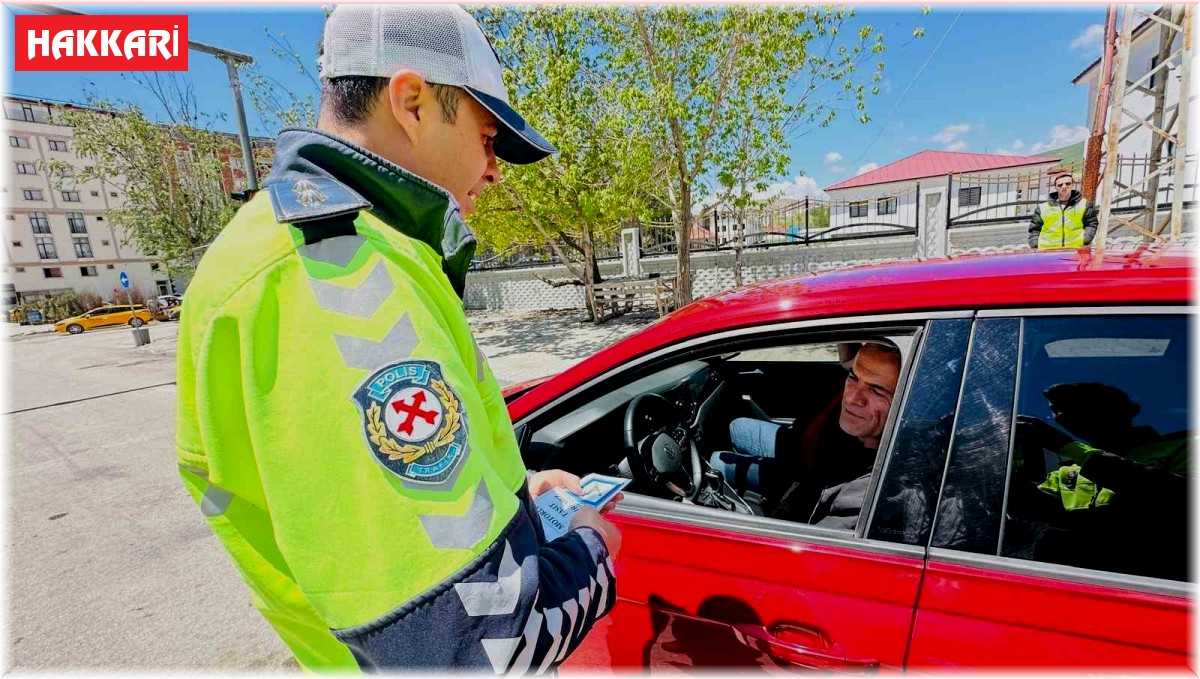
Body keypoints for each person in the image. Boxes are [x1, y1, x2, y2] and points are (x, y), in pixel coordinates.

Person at [175, 5, 621, 672]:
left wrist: (519, 496)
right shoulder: (336, 277)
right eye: (488, 137)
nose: (495, 169)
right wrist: (593, 549)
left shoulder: (305, 246)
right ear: (411, 101)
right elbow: (483, 648)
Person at [709, 343, 901, 527]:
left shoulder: (868, 487)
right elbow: (850, 359)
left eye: (876, 390)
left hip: (801, 478)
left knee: (715, 463)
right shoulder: (866, 429)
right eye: (853, 377)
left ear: (906, 399)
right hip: (800, 452)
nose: (850, 397)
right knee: (738, 426)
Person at [1014, 382, 1190, 579]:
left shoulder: (1184, 447)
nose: (1062, 415)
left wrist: (1069, 447)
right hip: (1076, 583)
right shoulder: (1067, 472)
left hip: (1163, 584)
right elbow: (1032, 512)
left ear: (1129, 410)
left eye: (1078, 403)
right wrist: (1006, 463)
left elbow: (1180, 498)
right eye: (1056, 410)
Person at [1027, 172, 1099, 250]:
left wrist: (1085, 240)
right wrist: (1035, 245)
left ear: (1072, 185)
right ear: (1055, 187)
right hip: (1047, 251)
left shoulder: (1084, 204)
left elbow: (1091, 223)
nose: (1064, 187)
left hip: (1075, 250)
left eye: (1067, 184)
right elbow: (1035, 229)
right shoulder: (1043, 208)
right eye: (1060, 185)